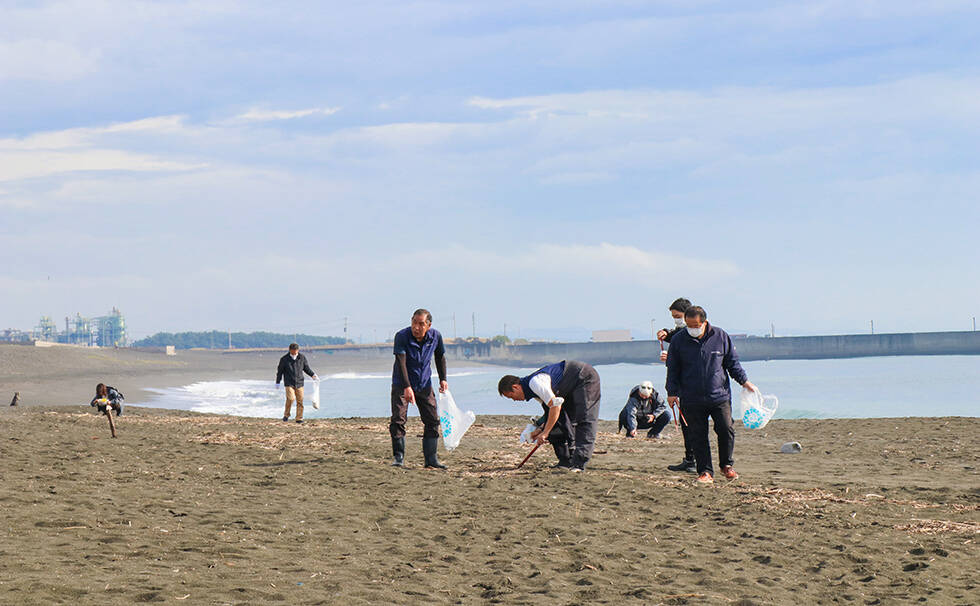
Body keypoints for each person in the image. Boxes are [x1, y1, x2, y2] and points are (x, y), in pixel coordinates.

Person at [665, 306, 756, 484]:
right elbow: (673, 368)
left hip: (719, 395)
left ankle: (726, 466)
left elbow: (732, 363)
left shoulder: (720, 336)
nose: (692, 329)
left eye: (695, 325)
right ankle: (705, 471)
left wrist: (745, 381)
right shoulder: (679, 340)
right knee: (698, 435)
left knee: (726, 429)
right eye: (689, 325)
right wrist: (672, 392)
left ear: (704, 322)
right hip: (691, 396)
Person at [498, 360, 601, 472]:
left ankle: (579, 464)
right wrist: (540, 430)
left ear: (516, 387)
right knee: (557, 420)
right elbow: (550, 414)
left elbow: (555, 406)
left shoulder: (535, 383)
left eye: (511, 396)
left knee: (584, 419)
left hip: (583, 376)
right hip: (567, 388)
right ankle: (565, 460)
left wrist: (545, 433)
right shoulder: (534, 393)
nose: (514, 400)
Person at [389, 309, 449, 469]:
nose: (416, 327)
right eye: (414, 322)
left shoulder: (436, 336)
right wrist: (407, 387)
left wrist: (443, 378)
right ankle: (398, 457)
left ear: (428, 325)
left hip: (424, 384)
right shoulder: (401, 336)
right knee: (398, 419)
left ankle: (431, 459)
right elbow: (401, 362)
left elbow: (440, 357)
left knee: (433, 420)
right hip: (402, 383)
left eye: (421, 324)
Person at [656, 297, 698, 473]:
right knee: (686, 423)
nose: (676, 319)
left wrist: (671, 358)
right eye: (673, 316)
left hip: (693, 385)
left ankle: (693, 460)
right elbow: (674, 334)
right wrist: (665, 332)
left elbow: (691, 358)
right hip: (683, 385)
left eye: (677, 316)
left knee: (691, 424)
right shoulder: (682, 331)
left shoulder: (693, 333)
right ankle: (690, 459)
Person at [275, 343, 318, 424]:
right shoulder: (284, 359)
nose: (294, 352)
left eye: (296, 351)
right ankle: (286, 415)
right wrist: (277, 382)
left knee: (300, 401)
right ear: (290, 350)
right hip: (289, 383)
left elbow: (306, 368)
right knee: (291, 399)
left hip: (299, 382)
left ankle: (299, 418)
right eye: (293, 351)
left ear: (298, 350)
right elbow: (280, 372)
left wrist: (313, 375)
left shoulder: (302, 357)